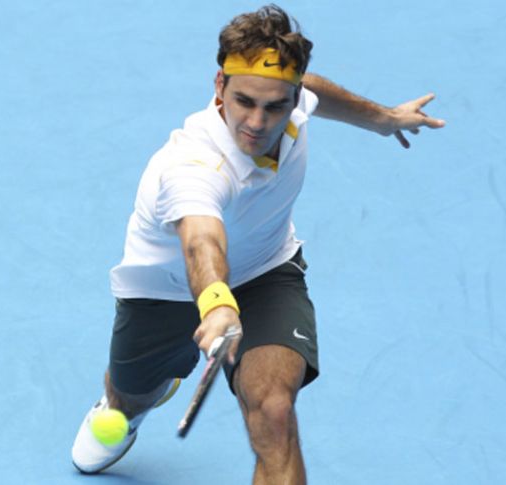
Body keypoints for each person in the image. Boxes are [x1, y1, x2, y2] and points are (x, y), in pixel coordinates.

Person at [71, 4, 445, 483]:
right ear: (219, 87)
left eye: (275, 105)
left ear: (291, 97)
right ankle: (127, 403)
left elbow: (314, 92)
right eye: (244, 101)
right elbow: (201, 241)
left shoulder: (293, 102)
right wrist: (216, 303)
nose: (257, 121)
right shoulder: (191, 164)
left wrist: (383, 118)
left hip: (266, 274)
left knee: (273, 409)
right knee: (131, 395)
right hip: (164, 293)